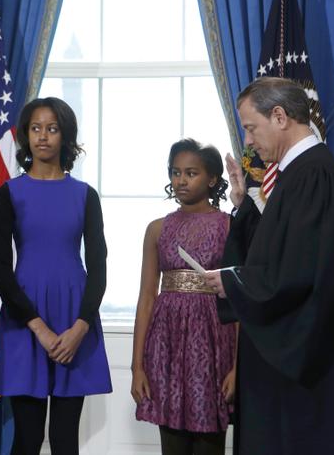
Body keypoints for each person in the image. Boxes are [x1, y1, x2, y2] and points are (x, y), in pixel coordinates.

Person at [204, 77, 334, 455]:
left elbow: (300, 273)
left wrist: (233, 283)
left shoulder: (314, 176)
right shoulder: (299, 176)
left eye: (251, 128)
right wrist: (243, 205)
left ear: (280, 116)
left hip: (307, 378)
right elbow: (278, 250)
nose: (248, 141)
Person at [0, 97, 112, 455]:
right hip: (25, 319)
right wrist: (38, 327)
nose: (43, 136)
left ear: (66, 137)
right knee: (25, 440)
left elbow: (99, 268)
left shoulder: (85, 195)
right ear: (26, 136)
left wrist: (80, 327)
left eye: (52, 128)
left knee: (64, 441)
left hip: (75, 318)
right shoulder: (9, 193)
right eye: (35, 128)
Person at [131, 139, 236, 455]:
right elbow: (147, 296)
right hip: (167, 348)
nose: (181, 180)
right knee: (172, 444)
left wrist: (237, 367)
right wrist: (138, 365)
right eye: (175, 173)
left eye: (191, 173)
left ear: (213, 179)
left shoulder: (229, 227)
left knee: (209, 444)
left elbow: (239, 300)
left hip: (214, 347)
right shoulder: (157, 229)